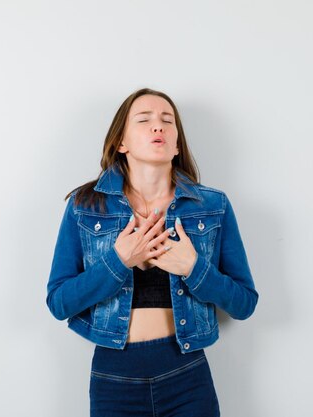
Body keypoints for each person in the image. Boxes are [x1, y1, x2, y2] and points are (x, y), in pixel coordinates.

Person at [46, 87, 258, 416]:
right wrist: (119, 262)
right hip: (113, 378)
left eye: (167, 121)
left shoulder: (213, 206)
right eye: (144, 120)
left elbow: (244, 303)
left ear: (176, 144)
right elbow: (59, 303)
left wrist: (193, 268)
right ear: (121, 142)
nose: (157, 126)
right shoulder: (86, 207)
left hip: (187, 375)